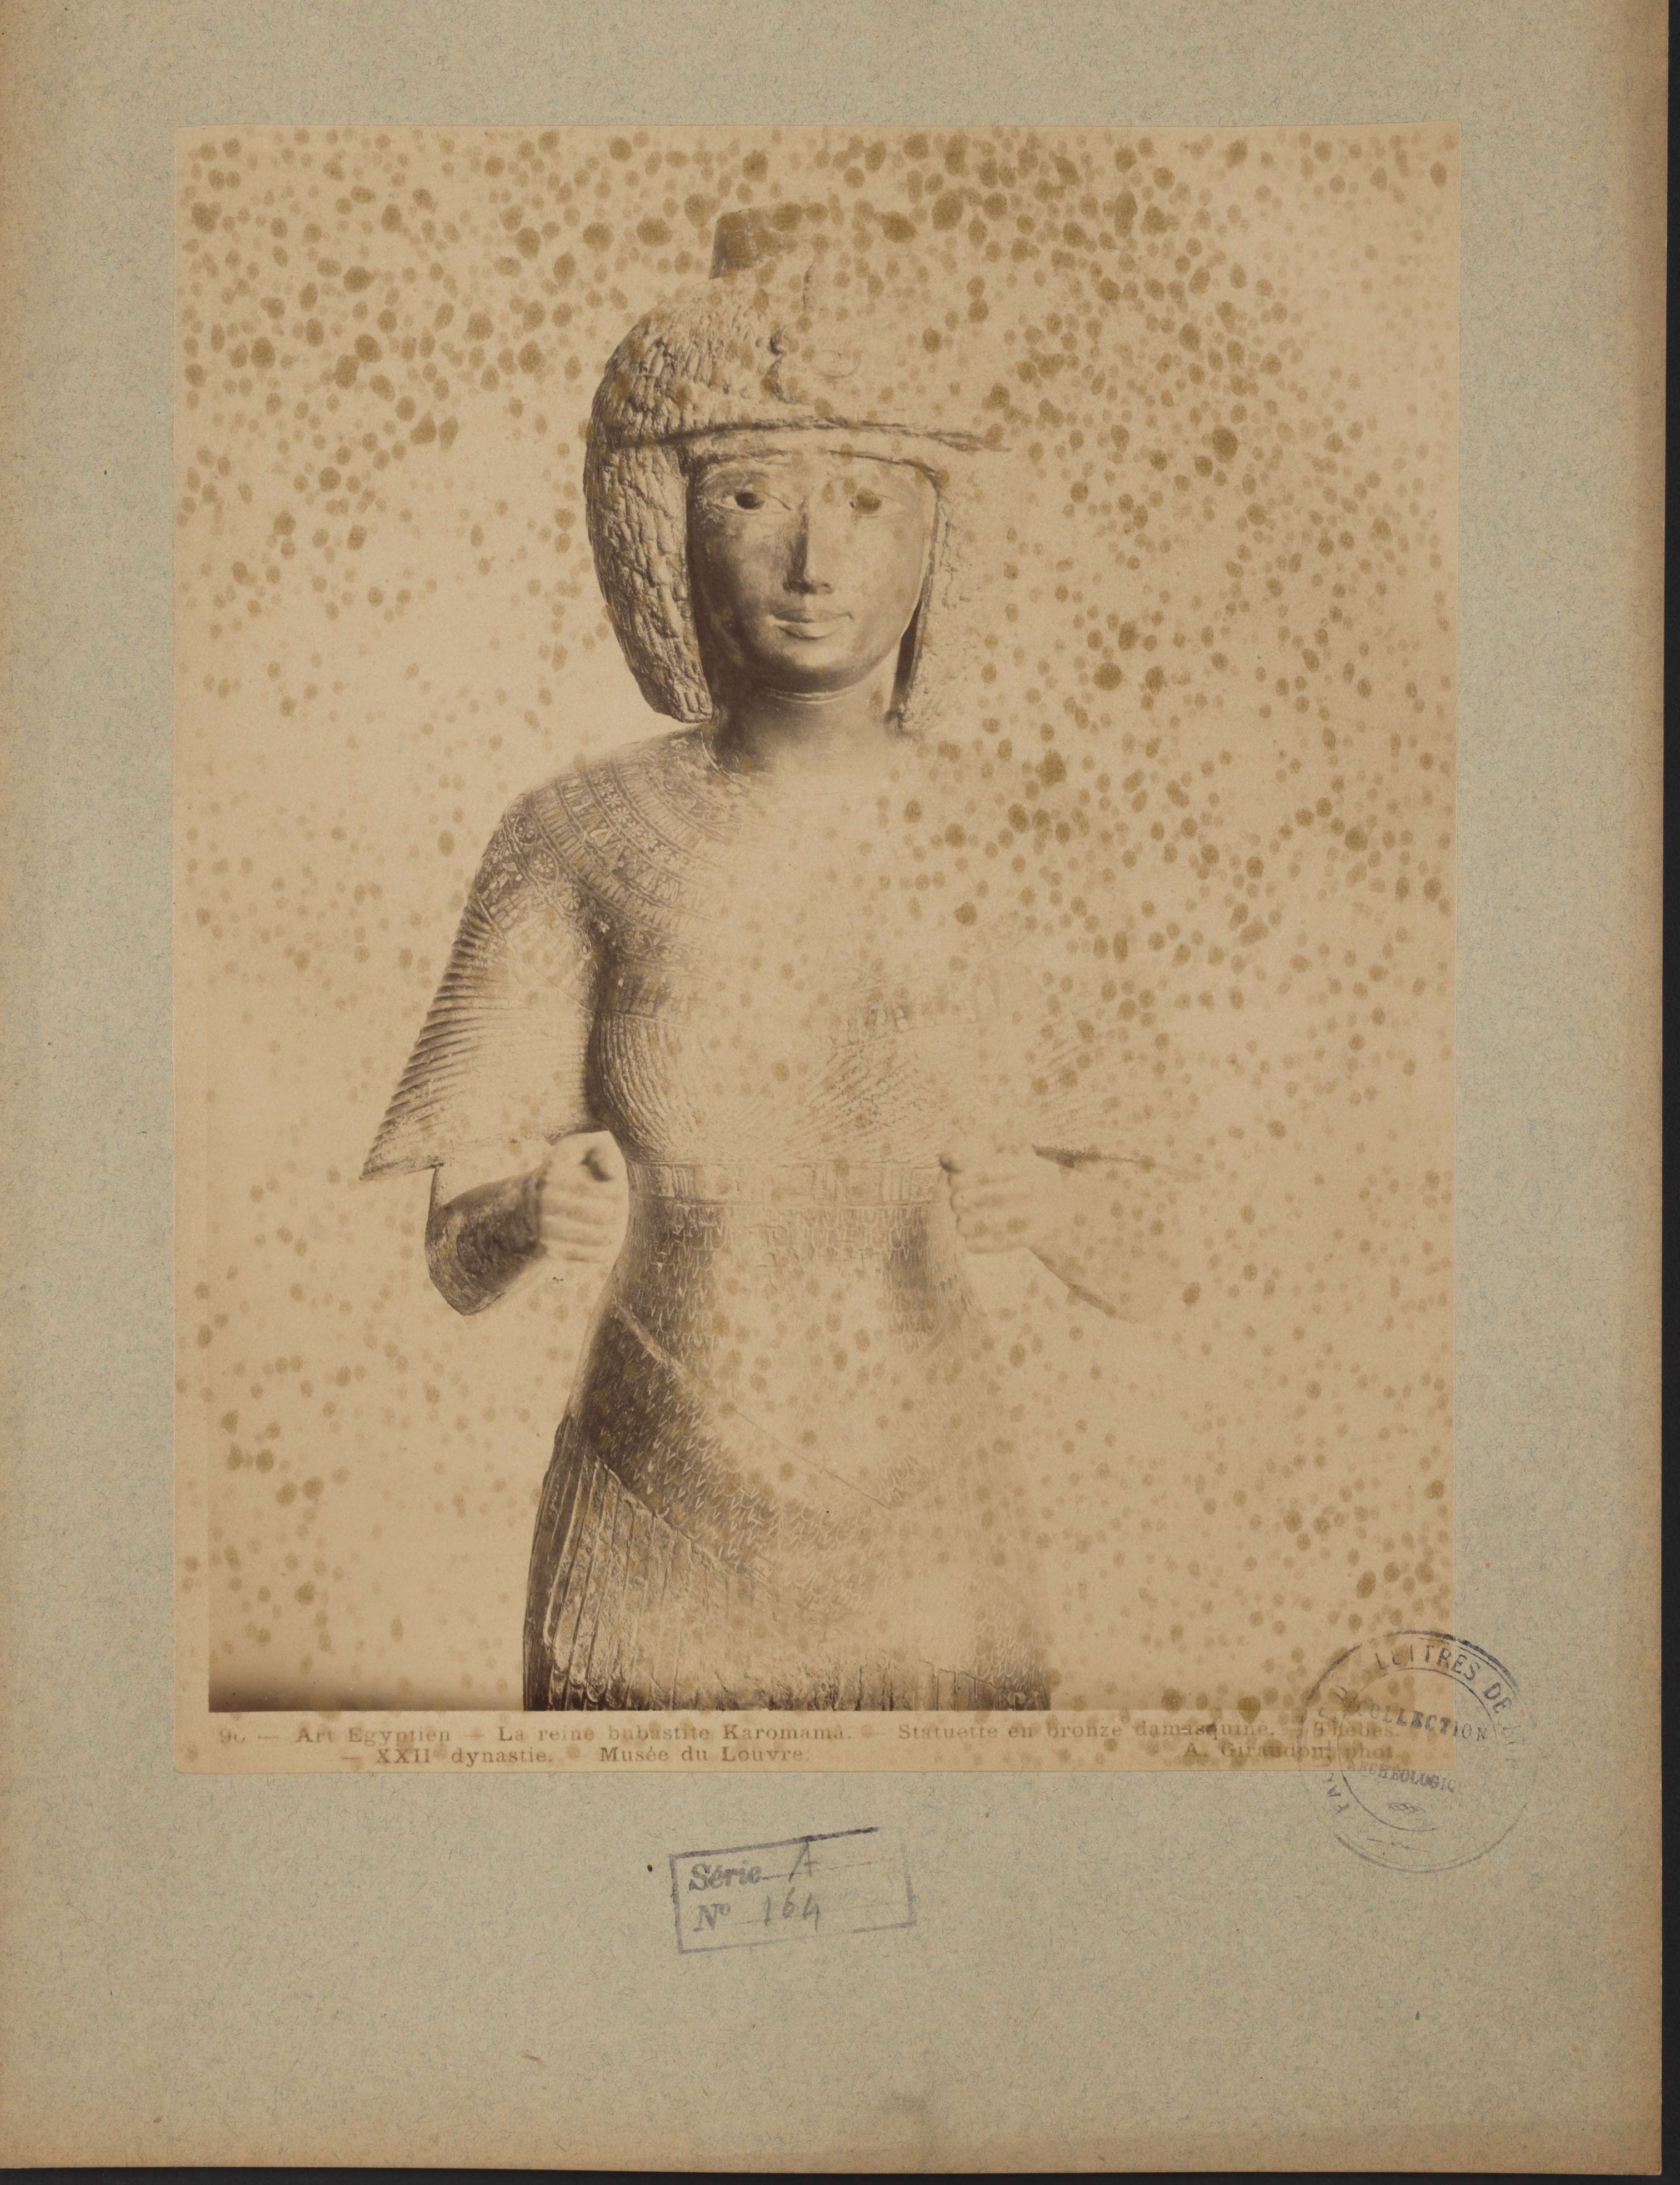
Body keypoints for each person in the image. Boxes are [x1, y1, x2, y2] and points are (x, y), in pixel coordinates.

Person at [363, 206, 1186, 1711]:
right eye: (750, 496)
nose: (813, 559)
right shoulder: (579, 837)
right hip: (649, 1529)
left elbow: (1154, 1253)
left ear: (943, 529)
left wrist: (1058, 1206)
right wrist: (527, 1216)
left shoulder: (1020, 839)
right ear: (662, 528)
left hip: (935, 1542)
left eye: (866, 500)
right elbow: (454, 1256)